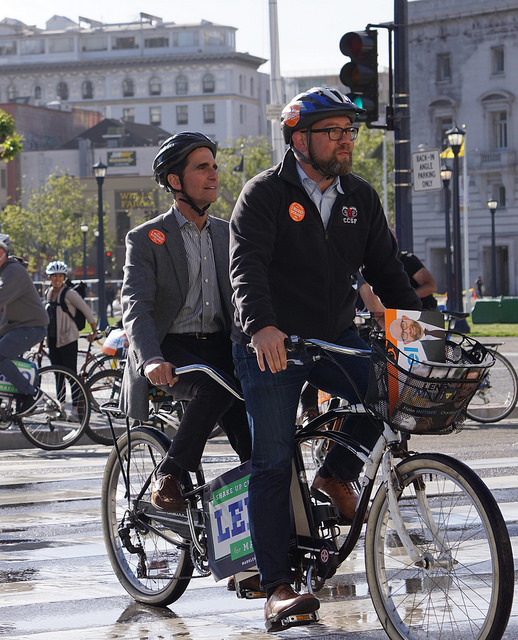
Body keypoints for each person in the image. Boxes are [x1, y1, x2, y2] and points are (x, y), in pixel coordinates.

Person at [229, 87, 421, 631]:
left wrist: (416, 335)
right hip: (272, 343)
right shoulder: (263, 194)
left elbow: (389, 275)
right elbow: (247, 268)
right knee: (272, 459)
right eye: (334, 131)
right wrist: (262, 326)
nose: (346, 141)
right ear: (299, 138)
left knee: (389, 392)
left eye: (349, 131)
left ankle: (336, 475)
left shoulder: (359, 194)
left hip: (334, 336)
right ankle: (277, 588)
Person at [120, 131, 252, 516]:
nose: (213, 175)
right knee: (215, 387)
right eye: (201, 168)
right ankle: (171, 475)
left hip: (220, 346)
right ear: (175, 182)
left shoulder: (229, 233)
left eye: (214, 166)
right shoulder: (146, 238)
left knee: (260, 446)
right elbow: (136, 306)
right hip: (171, 349)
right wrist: (150, 358)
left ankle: (248, 557)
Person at [0, 234, 49, 414]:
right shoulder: (3, 272)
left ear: (6, 253)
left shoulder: (13, 271)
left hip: (31, 327)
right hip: (14, 326)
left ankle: (30, 393)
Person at [44, 261, 98, 420]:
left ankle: (75, 410)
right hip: (53, 340)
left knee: (71, 375)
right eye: (54, 276)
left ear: (64, 277)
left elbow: (87, 310)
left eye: (60, 276)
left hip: (68, 340)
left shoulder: (70, 294)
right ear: (49, 277)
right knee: (58, 375)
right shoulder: (48, 293)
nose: (57, 279)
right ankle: (61, 409)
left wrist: (94, 330)